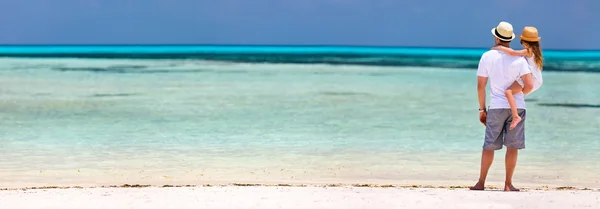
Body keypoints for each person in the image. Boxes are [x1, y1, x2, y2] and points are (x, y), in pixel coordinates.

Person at [471, 21, 535, 192]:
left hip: (496, 107)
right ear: (510, 39)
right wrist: (517, 94)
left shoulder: (487, 56)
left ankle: (481, 182)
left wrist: (482, 109)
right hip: (518, 107)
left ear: (496, 37)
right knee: (512, 146)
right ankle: (508, 184)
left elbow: (480, 86)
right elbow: (528, 86)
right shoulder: (520, 59)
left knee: (489, 146)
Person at [492, 26, 544, 130]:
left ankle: (516, 116)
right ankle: (514, 113)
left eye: (522, 41)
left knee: (508, 92)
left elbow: (513, 53)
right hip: (536, 78)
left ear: (525, 41)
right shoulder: (535, 51)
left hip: (532, 79)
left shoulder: (529, 51)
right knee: (513, 94)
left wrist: (499, 48)